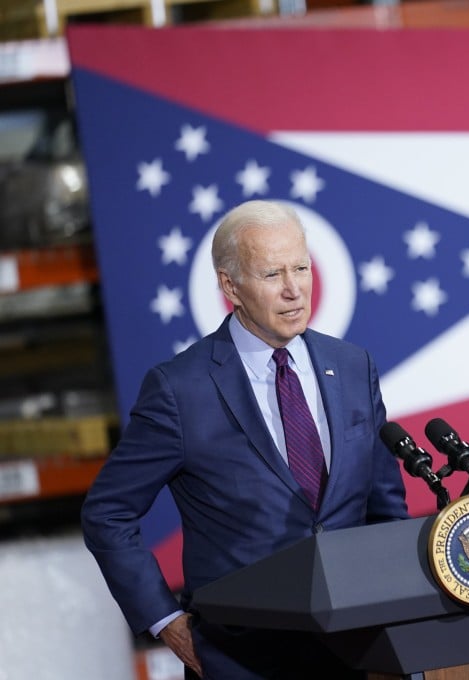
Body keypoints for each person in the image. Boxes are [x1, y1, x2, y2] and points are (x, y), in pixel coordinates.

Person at [81, 200, 408, 679]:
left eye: (301, 268)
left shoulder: (353, 365)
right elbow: (107, 512)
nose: (294, 289)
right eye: (273, 274)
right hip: (241, 657)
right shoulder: (180, 390)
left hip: (358, 651)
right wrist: (166, 621)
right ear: (230, 286)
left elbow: (386, 507)